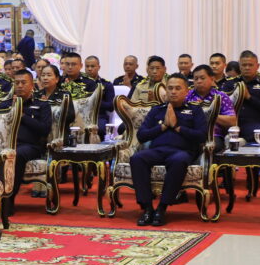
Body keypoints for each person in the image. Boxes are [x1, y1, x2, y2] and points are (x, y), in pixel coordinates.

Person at [130, 75, 207, 226]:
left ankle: (162, 208)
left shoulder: (195, 110)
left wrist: (177, 127)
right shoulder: (157, 110)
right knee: (137, 158)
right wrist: (163, 126)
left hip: (182, 151)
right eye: (170, 88)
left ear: (186, 91)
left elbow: (201, 136)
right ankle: (147, 208)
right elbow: (141, 135)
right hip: (158, 150)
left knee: (178, 161)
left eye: (178, 88)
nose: (173, 91)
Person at [0, 70, 55, 218]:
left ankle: (8, 200)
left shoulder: (42, 105)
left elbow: (44, 129)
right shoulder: (5, 104)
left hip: (31, 146)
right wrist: (11, 110)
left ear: (32, 85)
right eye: (17, 83)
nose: (20, 86)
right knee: (1, 154)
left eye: (23, 83)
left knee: (17, 155)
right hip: (7, 144)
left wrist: (22, 115)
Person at [186, 65, 236, 149]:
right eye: (196, 79)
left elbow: (232, 121)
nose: (199, 81)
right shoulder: (187, 96)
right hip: (190, 133)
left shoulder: (221, 96)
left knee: (210, 147)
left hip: (213, 135)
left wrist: (211, 115)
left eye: (202, 78)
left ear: (212, 79)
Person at [231, 50, 260, 137]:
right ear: (239, 66)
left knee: (259, 135)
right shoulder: (229, 83)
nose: (247, 68)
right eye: (244, 65)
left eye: (250, 65)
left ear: (257, 66)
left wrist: (249, 98)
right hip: (230, 122)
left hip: (253, 122)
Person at [84, 55, 116, 136]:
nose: (89, 69)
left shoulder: (106, 84)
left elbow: (111, 106)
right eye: (87, 66)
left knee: (100, 129)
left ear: (98, 67)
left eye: (92, 66)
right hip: (81, 114)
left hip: (99, 116)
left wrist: (95, 101)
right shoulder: (79, 84)